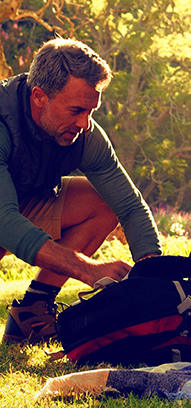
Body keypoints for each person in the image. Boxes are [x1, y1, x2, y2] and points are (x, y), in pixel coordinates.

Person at [0, 38, 162, 344]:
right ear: (39, 97)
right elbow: (4, 222)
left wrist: (153, 277)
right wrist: (86, 270)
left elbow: (129, 205)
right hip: (2, 212)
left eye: (91, 110)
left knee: (103, 203)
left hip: (18, 202)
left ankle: (33, 311)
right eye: (76, 110)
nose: (85, 123)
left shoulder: (84, 134)